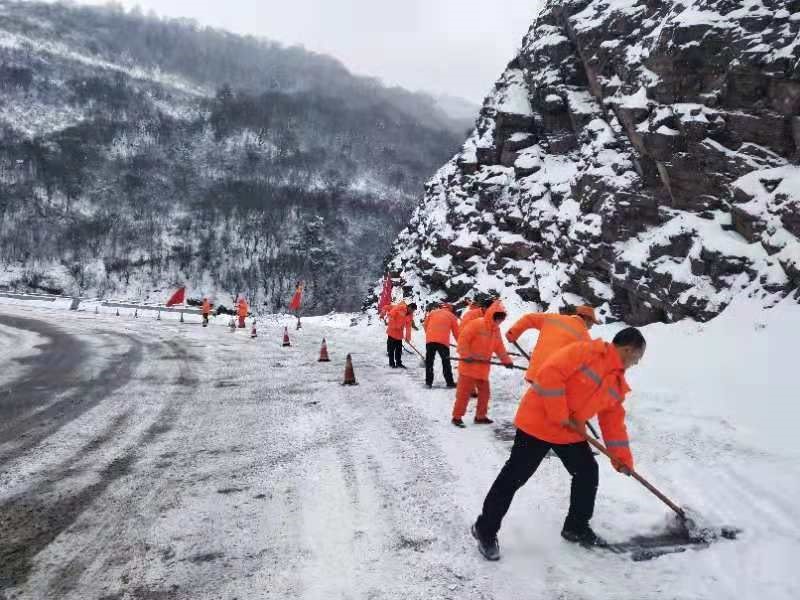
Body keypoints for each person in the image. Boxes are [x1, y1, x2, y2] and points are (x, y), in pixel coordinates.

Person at [470, 327, 646, 561]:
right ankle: (485, 529)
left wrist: (621, 458)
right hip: (538, 422)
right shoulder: (586, 352)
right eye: (638, 357)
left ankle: (576, 527)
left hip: (569, 431)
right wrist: (559, 412)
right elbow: (550, 374)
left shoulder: (616, 382)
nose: (636, 362)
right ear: (628, 349)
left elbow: (613, 422)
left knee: (587, 472)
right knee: (514, 477)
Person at [451, 300, 514, 427]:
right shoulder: (477, 324)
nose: (499, 321)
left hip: (483, 368)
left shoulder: (496, 330)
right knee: (463, 394)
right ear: (492, 315)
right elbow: (463, 339)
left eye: (501, 319)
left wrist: (507, 361)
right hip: (468, 367)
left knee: (485, 393)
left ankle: (480, 416)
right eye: (498, 318)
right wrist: (466, 355)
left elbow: (499, 347)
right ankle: (457, 417)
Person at [506, 305, 598, 381]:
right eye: (592, 322)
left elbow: (529, 318)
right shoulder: (585, 337)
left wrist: (512, 333)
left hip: (533, 375)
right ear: (587, 318)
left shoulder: (552, 318)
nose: (591, 326)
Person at [424, 303, 459, 388]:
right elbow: (457, 333)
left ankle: (428, 382)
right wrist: (461, 344)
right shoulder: (452, 316)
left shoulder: (433, 312)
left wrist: (430, 335)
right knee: (446, 362)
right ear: (451, 310)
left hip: (430, 341)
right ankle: (449, 382)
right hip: (443, 343)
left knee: (429, 362)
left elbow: (425, 325)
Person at [386, 302, 417, 369]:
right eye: (412, 310)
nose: (412, 312)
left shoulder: (410, 315)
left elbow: (408, 327)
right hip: (392, 331)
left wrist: (407, 338)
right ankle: (391, 363)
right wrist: (394, 325)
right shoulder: (400, 308)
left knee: (399, 350)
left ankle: (399, 363)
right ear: (409, 307)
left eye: (413, 311)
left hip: (399, 334)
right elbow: (390, 315)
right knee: (391, 349)